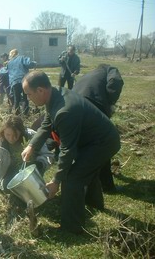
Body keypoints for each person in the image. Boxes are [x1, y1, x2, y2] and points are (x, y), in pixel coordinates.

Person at [21, 71, 120, 234]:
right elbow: (47, 122)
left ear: (40, 90)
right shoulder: (54, 93)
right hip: (96, 140)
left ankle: (71, 228)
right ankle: (94, 205)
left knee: (72, 178)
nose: (28, 99)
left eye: (29, 94)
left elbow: (67, 151)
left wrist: (56, 180)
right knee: (87, 170)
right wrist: (33, 145)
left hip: (103, 143)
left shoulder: (65, 111)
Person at [73, 64, 124, 193]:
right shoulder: (110, 69)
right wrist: (110, 101)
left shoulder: (90, 74)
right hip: (94, 106)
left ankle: (85, 183)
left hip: (75, 106)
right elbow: (116, 81)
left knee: (85, 146)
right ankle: (107, 186)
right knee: (103, 144)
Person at [0, 115, 54, 199]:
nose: (11, 138)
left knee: (35, 193)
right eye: (8, 135)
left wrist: (40, 164)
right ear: (3, 132)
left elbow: (48, 155)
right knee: (6, 187)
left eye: (15, 135)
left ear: (21, 131)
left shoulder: (32, 136)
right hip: (10, 170)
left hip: (32, 169)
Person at [6, 49, 36, 115]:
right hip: (24, 80)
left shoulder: (9, 62)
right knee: (25, 97)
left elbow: (7, 71)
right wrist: (34, 63)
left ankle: (17, 114)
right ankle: (25, 114)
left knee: (17, 99)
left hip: (14, 82)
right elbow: (29, 64)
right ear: (17, 53)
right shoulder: (22, 58)